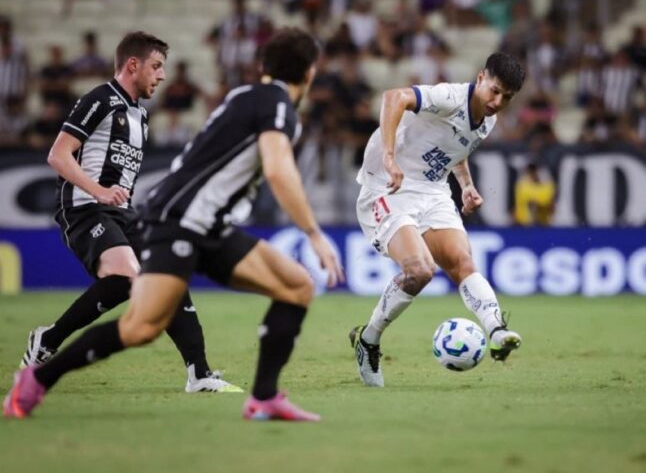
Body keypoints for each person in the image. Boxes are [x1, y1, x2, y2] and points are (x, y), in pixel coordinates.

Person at [4, 27, 344, 422]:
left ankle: (258, 395)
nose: (162, 75)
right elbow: (279, 168)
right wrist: (314, 233)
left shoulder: (243, 97)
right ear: (310, 72)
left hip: (199, 223)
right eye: (157, 66)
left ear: (264, 66)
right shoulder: (277, 104)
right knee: (140, 327)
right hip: (176, 222)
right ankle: (38, 378)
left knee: (297, 285)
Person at [16, 31, 240, 395]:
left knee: (169, 274)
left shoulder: (140, 114)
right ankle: (48, 340)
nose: (162, 75)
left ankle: (199, 373)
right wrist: (100, 191)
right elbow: (58, 155)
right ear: (133, 65)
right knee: (127, 276)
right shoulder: (100, 99)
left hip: (121, 213)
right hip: (85, 208)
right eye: (156, 66)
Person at [350, 52, 526, 387]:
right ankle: (368, 340)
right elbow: (394, 97)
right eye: (495, 90)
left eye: (507, 97)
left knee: (462, 261)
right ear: (480, 77)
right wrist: (389, 156)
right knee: (420, 270)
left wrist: (467, 185)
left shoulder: (487, 120)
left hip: (432, 191)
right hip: (388, 186)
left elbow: (452, 150)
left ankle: (496, 330)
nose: (497, 101)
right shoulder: (449, 97)